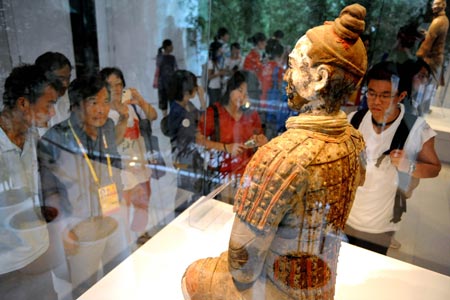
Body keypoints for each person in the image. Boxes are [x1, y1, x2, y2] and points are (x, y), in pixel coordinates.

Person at [182, 4, 368, 299]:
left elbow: (243, 268)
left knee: (192, 275)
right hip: (322, 285)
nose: (285, 75)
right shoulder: (355, 142)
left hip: (280, 290)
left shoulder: (279, 157)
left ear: (319, 78)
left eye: (294, 66)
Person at [38, 74, 129, 297]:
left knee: (119, 275)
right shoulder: (54, 139)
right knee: (85, 287)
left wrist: (122, 201)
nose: (102, 110)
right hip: (79, 224)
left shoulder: (107, 126)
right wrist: (61, 229)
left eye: (106, 102)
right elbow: (49, 191)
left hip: (112, 214)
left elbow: (113, 164)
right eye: (94, 103)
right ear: (77, 105)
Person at [345, 61, 441, 255]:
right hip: (345, 217)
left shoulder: (416, 128)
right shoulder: (354, 120)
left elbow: (434, 168)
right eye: (371, 93)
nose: (376, 101)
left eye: (385, 95)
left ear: (401, 96)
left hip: (380, 226)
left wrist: (409, 166)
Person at [0, 64, 59, 299]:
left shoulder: (32, 135)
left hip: (39, 252)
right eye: (48, 104)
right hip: (7, 268)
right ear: (23, 103)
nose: (53, 113)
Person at [100, 67, 157, 245]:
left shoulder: (131, 107)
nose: (116, 89)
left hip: (139, 166)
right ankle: (121, 246)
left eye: (119, 84)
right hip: (118, 171)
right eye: (110, 85)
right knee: (119, 213)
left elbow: (153, 115)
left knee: (143, 201)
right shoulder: (102, 112)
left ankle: (140, 234)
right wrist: (123, 118)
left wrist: (139, 100)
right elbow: (110, 143)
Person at [196, 71, 268, 201]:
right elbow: (198, 140)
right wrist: (225, 147)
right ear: (230, 89)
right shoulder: (214, 113)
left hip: (248, 177)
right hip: (223, 179)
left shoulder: (251, 114)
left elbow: (261, 139)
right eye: (239, 91)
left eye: (247, 94)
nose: (242, 96)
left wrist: (258, 141)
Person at [167, 70, 206, 206]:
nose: (197, 88)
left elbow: (202, 119)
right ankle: (181, 216)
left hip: (193, 156)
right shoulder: (178, 110)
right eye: (194, 85)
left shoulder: (187, 106)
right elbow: (188, 133)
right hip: (185, 157)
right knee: (185, 190)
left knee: (192, 187)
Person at [34, 51, 73, 131]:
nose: (66, 84)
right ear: (44, 78)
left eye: (68, 78)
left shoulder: (71, 99)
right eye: (60, 79)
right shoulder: (31, 105)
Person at [155, 39, 178, 117]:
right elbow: (176, 70)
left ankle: (165, 122)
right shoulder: (171, 58)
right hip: (170, 85)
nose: (173, 47)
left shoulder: (159, 57)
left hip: (162, 85)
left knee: (164, 107)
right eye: (171, 46)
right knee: (171, 104)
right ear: (168, 47)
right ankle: (170, 122)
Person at [206, 41, 226, 105]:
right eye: (220, 49)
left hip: (218, 86)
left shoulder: (217, 61)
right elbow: (209, 76)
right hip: (212, 87)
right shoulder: (210, 62)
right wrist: (219, 74)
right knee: (213, 105)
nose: (221, 51)